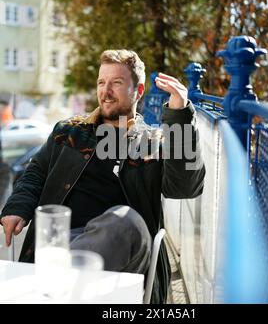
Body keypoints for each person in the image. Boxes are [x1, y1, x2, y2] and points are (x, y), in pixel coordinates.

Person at [0, 50, 205, 303]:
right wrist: (17, 206)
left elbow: (185, 188)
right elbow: (36, 172)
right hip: (59, 244)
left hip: (124, 251)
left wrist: (180, 116)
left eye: (116, 83)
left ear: (138, 91)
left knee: (123, 220)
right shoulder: (69, 131)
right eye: (101, 82)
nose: (105, 90)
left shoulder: (152, 142)